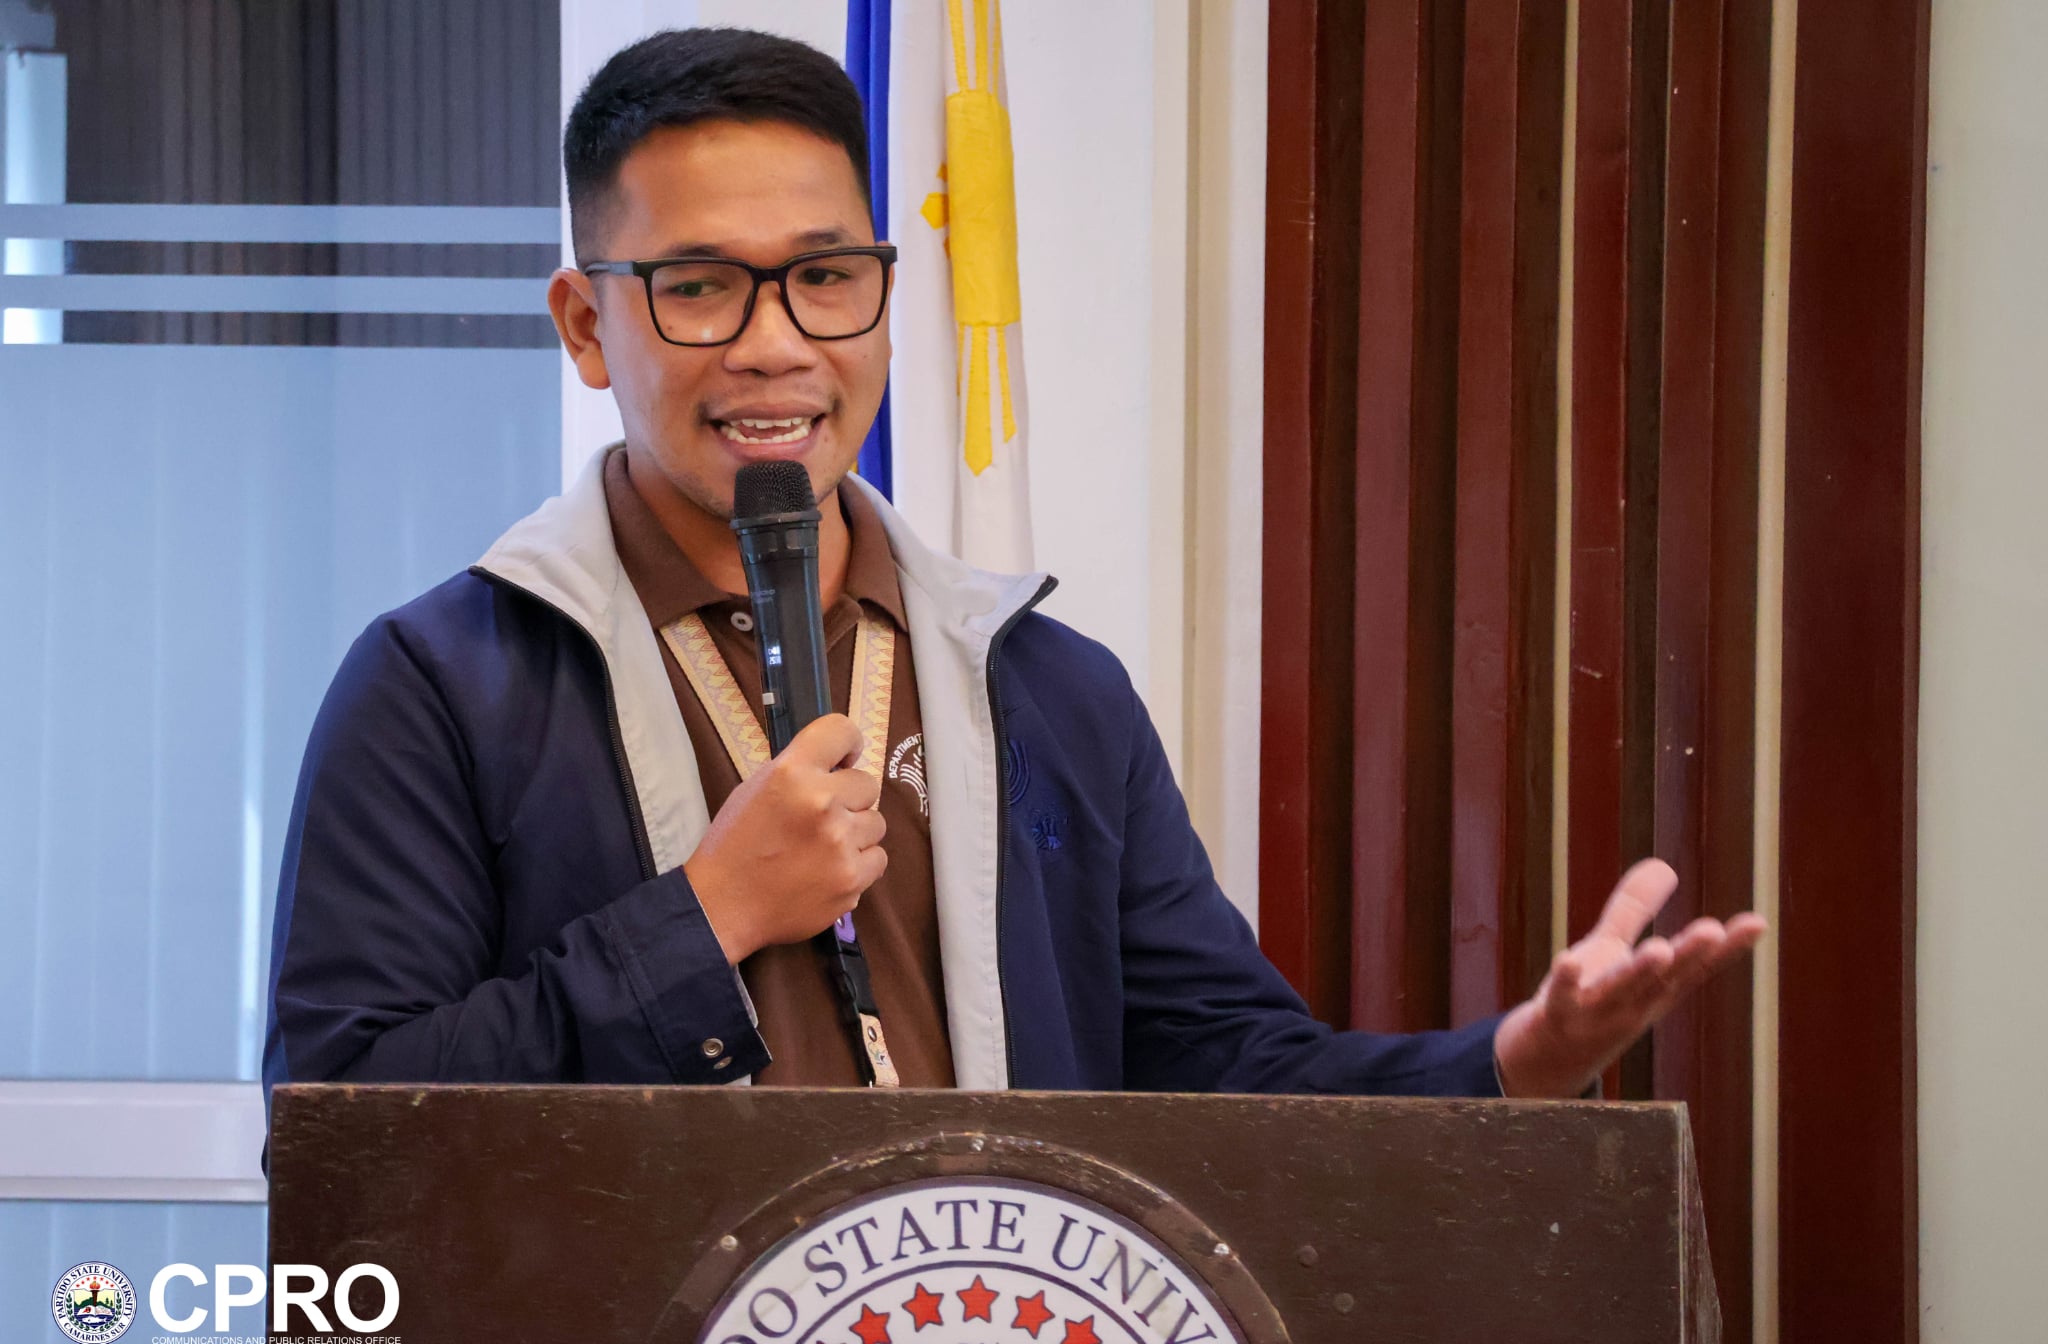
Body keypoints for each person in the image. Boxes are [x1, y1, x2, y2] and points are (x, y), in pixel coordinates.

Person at [261, 27, 1763, 1102]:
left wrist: (1513, 1063)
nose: (778, 344)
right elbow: (342, 1118)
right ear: (589, 326)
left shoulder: (1047, 688)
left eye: (827, 276)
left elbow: (1234, 1075)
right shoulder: (444, 683)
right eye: (701, 287)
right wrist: (705, 919)